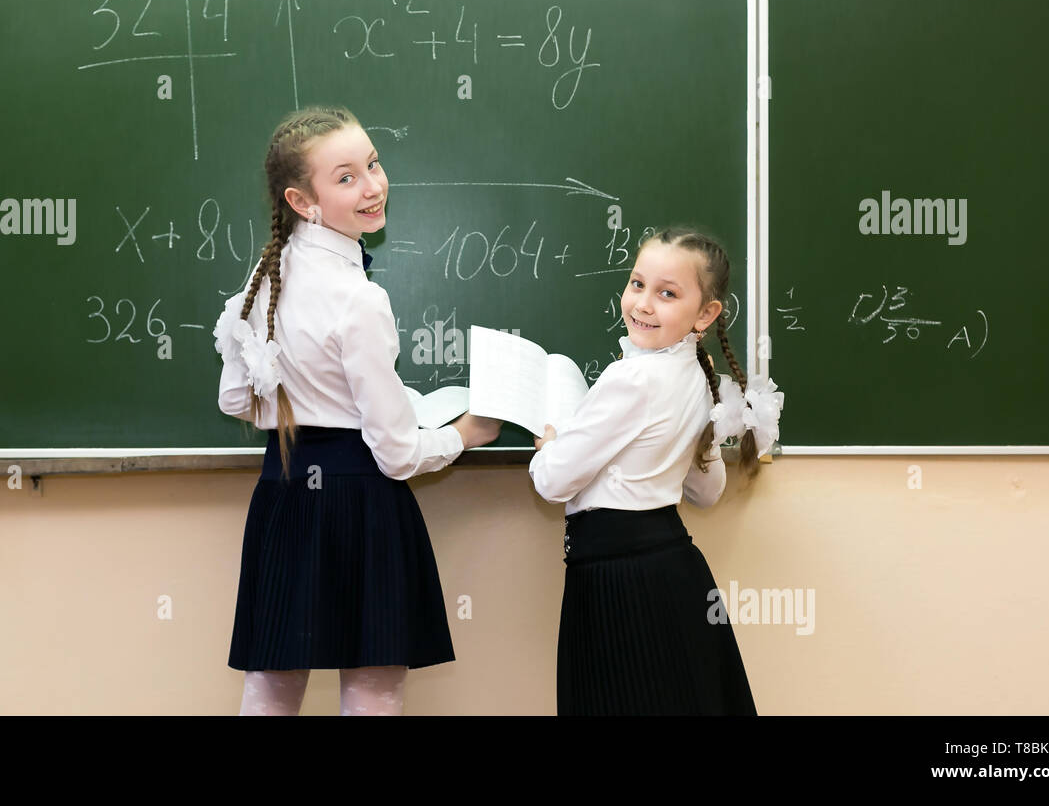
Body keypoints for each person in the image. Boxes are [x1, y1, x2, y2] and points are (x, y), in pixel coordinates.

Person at [213, 106, 500, 715]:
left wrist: (302, 393)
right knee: (372, 687)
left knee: (271, 682)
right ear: (302, 200)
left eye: (373, 164)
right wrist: (462, 436)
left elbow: (234, 398)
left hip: (284, 492)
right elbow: (395, 453)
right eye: (346, 177)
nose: (372, 186)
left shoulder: (262, 281)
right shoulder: (359, 298)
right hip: (361, 500)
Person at [528, 226, 782, 715]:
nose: (643, 304)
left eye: (667, 293)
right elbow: (707, 493)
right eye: (637, 283)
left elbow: (552, 480)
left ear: (706, 313)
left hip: (619, 581)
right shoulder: (695, 372)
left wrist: (550, 445)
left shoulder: (634, 377)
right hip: (670, 571)